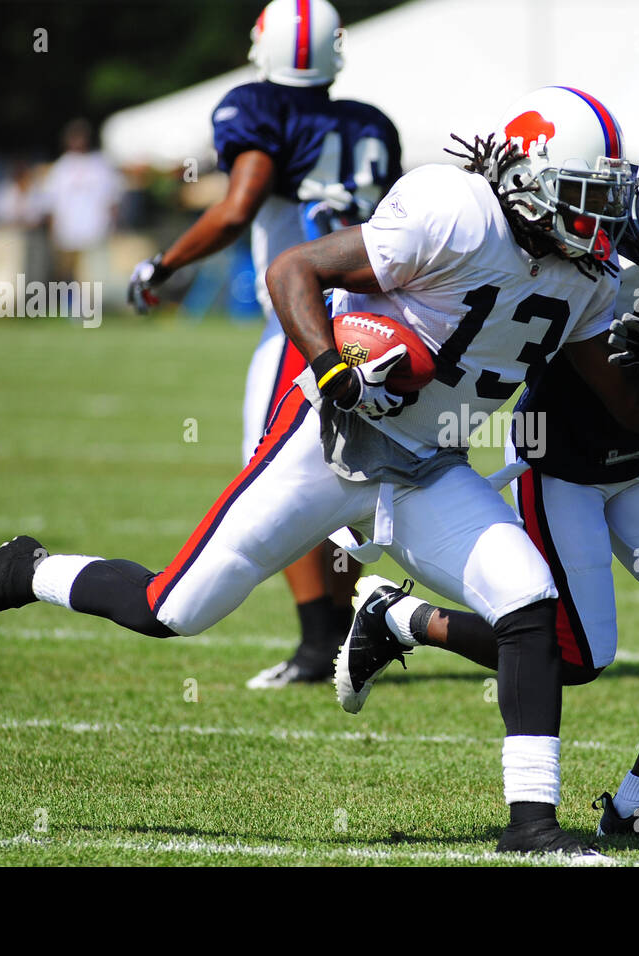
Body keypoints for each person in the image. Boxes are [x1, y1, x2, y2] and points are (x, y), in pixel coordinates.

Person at [0, 85, 639, 858]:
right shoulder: (454, 211)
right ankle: (24, 570)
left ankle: (531, 829)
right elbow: (294, 269)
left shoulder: (588, 276)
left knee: (528, 600)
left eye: (604, 198)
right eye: (580, 194)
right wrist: (331, 368)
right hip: (333, 440)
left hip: (429, 466)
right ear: (526, 178)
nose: (596, 219)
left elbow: (627, 403)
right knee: (173, 608)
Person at [333, 99, 639, 842]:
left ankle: (638, 805)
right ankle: (401, 619)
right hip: (558, 456)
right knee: (576, 656)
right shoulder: (600, 210)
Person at [127, 0, 402, 689]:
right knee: (344, 482)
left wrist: (162, 264)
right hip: (377, 325)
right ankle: (340, 639)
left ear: (263, 46)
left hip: (300, 323)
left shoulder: (255, 106)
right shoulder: (372, 125)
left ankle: (320, 648)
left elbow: (238, 205)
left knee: (275, 478)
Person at [35, 119, 122, 286]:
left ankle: (88, 305)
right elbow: (51, 204)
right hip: (67, 232)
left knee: (92, 275)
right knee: (68, 273)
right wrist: (53, 232)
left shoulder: (101, 165)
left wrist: (113, 226)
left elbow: (112, 199)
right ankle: (70, 305)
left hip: (96, 231)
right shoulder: (60, 168)